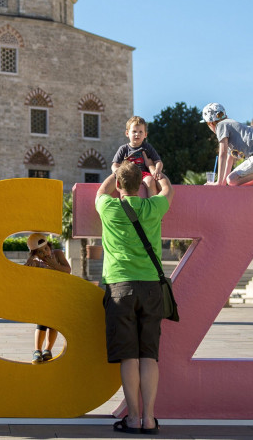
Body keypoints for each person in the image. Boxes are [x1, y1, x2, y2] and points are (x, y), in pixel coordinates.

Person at [95, 162, 173, 434]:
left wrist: (115, 171)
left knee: (129, 357)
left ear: (119, 186)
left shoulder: (108, 207)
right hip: (151, 288)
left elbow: (101, 191)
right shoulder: (153, 208)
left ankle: (133, 417)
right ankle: (149, 419)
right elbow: (168, 191)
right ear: (139, 186)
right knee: (149, 356)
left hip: (120, 287)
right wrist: (155, 178)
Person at [23, 233, 71, 363]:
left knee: (53, 324)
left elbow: (68, 270)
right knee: (42, 324)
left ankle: (47, 349)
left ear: (50, 246)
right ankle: (37, 350)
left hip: (58, 295)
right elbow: (26, 272)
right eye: (40, 251)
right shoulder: (37, 262)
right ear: (35, 254)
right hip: (44, 296)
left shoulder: (58, 254)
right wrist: (31, 263)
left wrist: (54, 265)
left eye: (46, 248)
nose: (45, 252)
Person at [111, 116, 164, 195]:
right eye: (134, 131)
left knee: (150, 181)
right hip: (128, 174)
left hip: (143, 174)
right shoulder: (123, 149)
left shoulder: (147, 147)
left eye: (140, 132)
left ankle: (152, 203)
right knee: (119, 182)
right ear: (127, 133)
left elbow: (158, 161)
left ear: (145, 134)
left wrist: (158, 170)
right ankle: (125, 201)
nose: (137, 134)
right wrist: (116, 171)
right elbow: (114, 164)